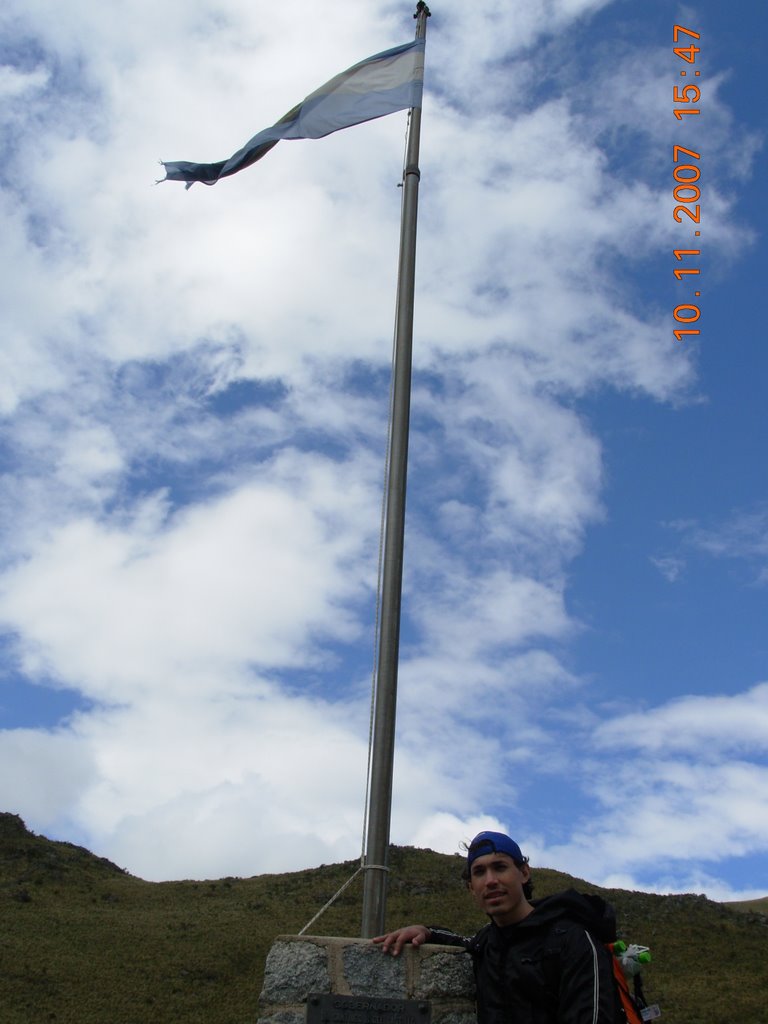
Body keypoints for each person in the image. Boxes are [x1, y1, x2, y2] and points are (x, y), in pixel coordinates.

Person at [373, 830, 622, 1024]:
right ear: (472, 888)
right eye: (479, 872)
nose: (491, 881)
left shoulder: (574, 940)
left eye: (500, 867)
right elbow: (463, 943)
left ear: (524, 873)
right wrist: (427, 931)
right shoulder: (487, 942)